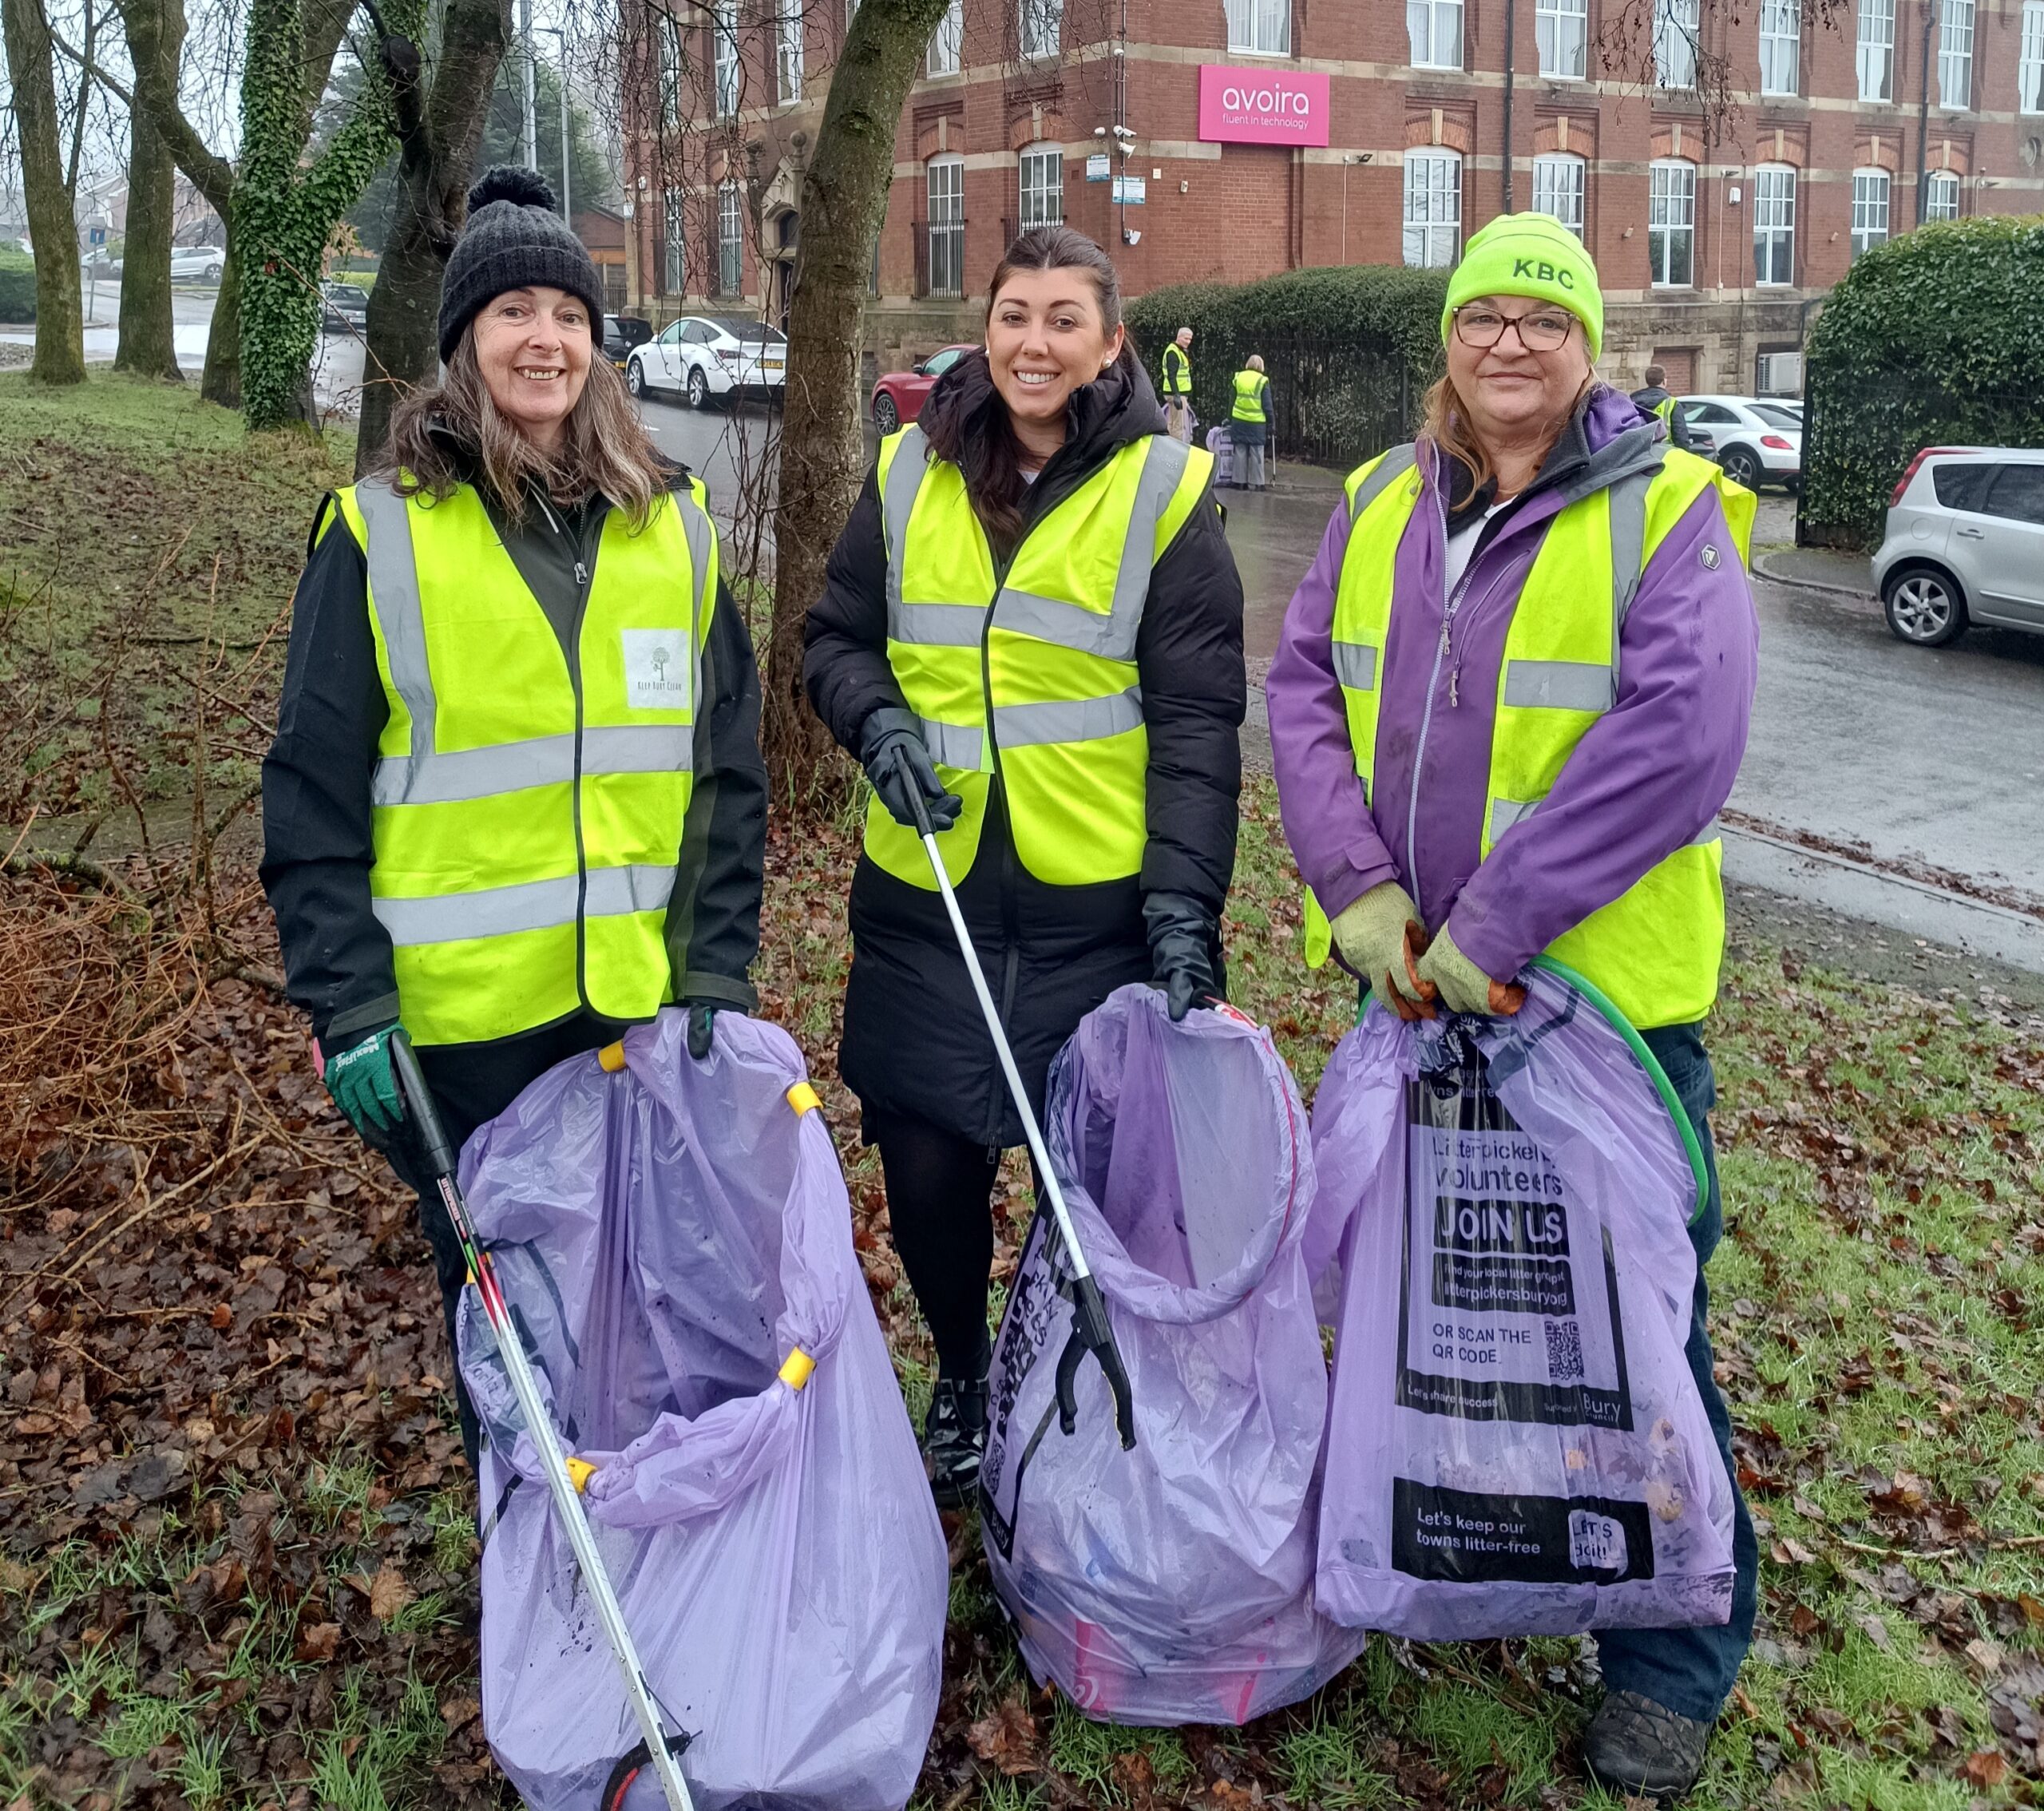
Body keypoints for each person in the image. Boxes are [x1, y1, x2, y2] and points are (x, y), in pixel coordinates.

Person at [1266, 212, 1759, 1799]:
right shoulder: (1369, 502)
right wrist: (1356, 895)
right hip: (1411, 998)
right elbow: (1298, 693)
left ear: (1589, 348)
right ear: (1446, 338)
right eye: (1485, 314)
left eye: (1545, 322)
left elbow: (1675, 747)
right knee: (1449, 1309)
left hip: (1596, 1014)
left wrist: (1487, 926)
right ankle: (1487, 1563)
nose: (1510, 346)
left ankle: (1669, 1665)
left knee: (1636, 1328)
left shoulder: (1673, 511)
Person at [261, 168, 768, 1469]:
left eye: (569, 312)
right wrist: (348, 1002)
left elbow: (723, 778)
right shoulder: (378, 538)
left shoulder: (678, 532)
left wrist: (715, 963)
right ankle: (529, 1539)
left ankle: (639, 1528)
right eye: (511, 312)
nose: (544, 337)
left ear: (597, 345)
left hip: (635, 1009)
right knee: (507, 1319)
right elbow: (313, 794)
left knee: (643, 1290)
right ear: (462, 345)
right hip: (463, 1028)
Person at [804, 225, 1245, 1507]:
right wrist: (872, 718)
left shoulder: (1164, 491)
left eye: (1064, 319)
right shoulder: (904, 475)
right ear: (981, 328)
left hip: (1089, 913)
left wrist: (1182, 908)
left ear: (1111, 344)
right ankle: (958, 1367)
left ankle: (1058, 1381)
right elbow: (836, 640)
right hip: (925, 903)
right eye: (1013, 315)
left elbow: (1200, 723)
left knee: (1079, 1182)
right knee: (929, 1166)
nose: (1033, 343)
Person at [1630, 362, 1697, 451]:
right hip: (1665, 456)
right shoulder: (1672, 403)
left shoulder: (1631, 401)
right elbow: (1681, 437)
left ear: (1647, 381)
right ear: (1664, 381)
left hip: (1638, 456)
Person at [1228, 353, 1271, 489]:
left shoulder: (1238, 377)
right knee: (1257, 452)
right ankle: (1258, 484)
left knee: (1240, 451)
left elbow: (1232, 400)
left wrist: (1229, 417)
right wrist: (1272, 422)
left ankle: (1239, 482)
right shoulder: (1262, 381)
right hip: (1256, 422)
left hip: (1239, 420)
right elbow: (1267, 405)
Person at [1159, 324, 1194, 443]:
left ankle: (1169, 447)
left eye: (1190, 339)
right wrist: (1177, 395)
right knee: (1178, 426)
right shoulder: (1174, 353)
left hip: (1175, 392)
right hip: (1176, 393)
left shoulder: (1177, 351)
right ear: (1179, 337)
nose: (1188, 342)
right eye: (1186, 338)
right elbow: (1171, 375)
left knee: (1172, 423)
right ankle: (1176, 451)